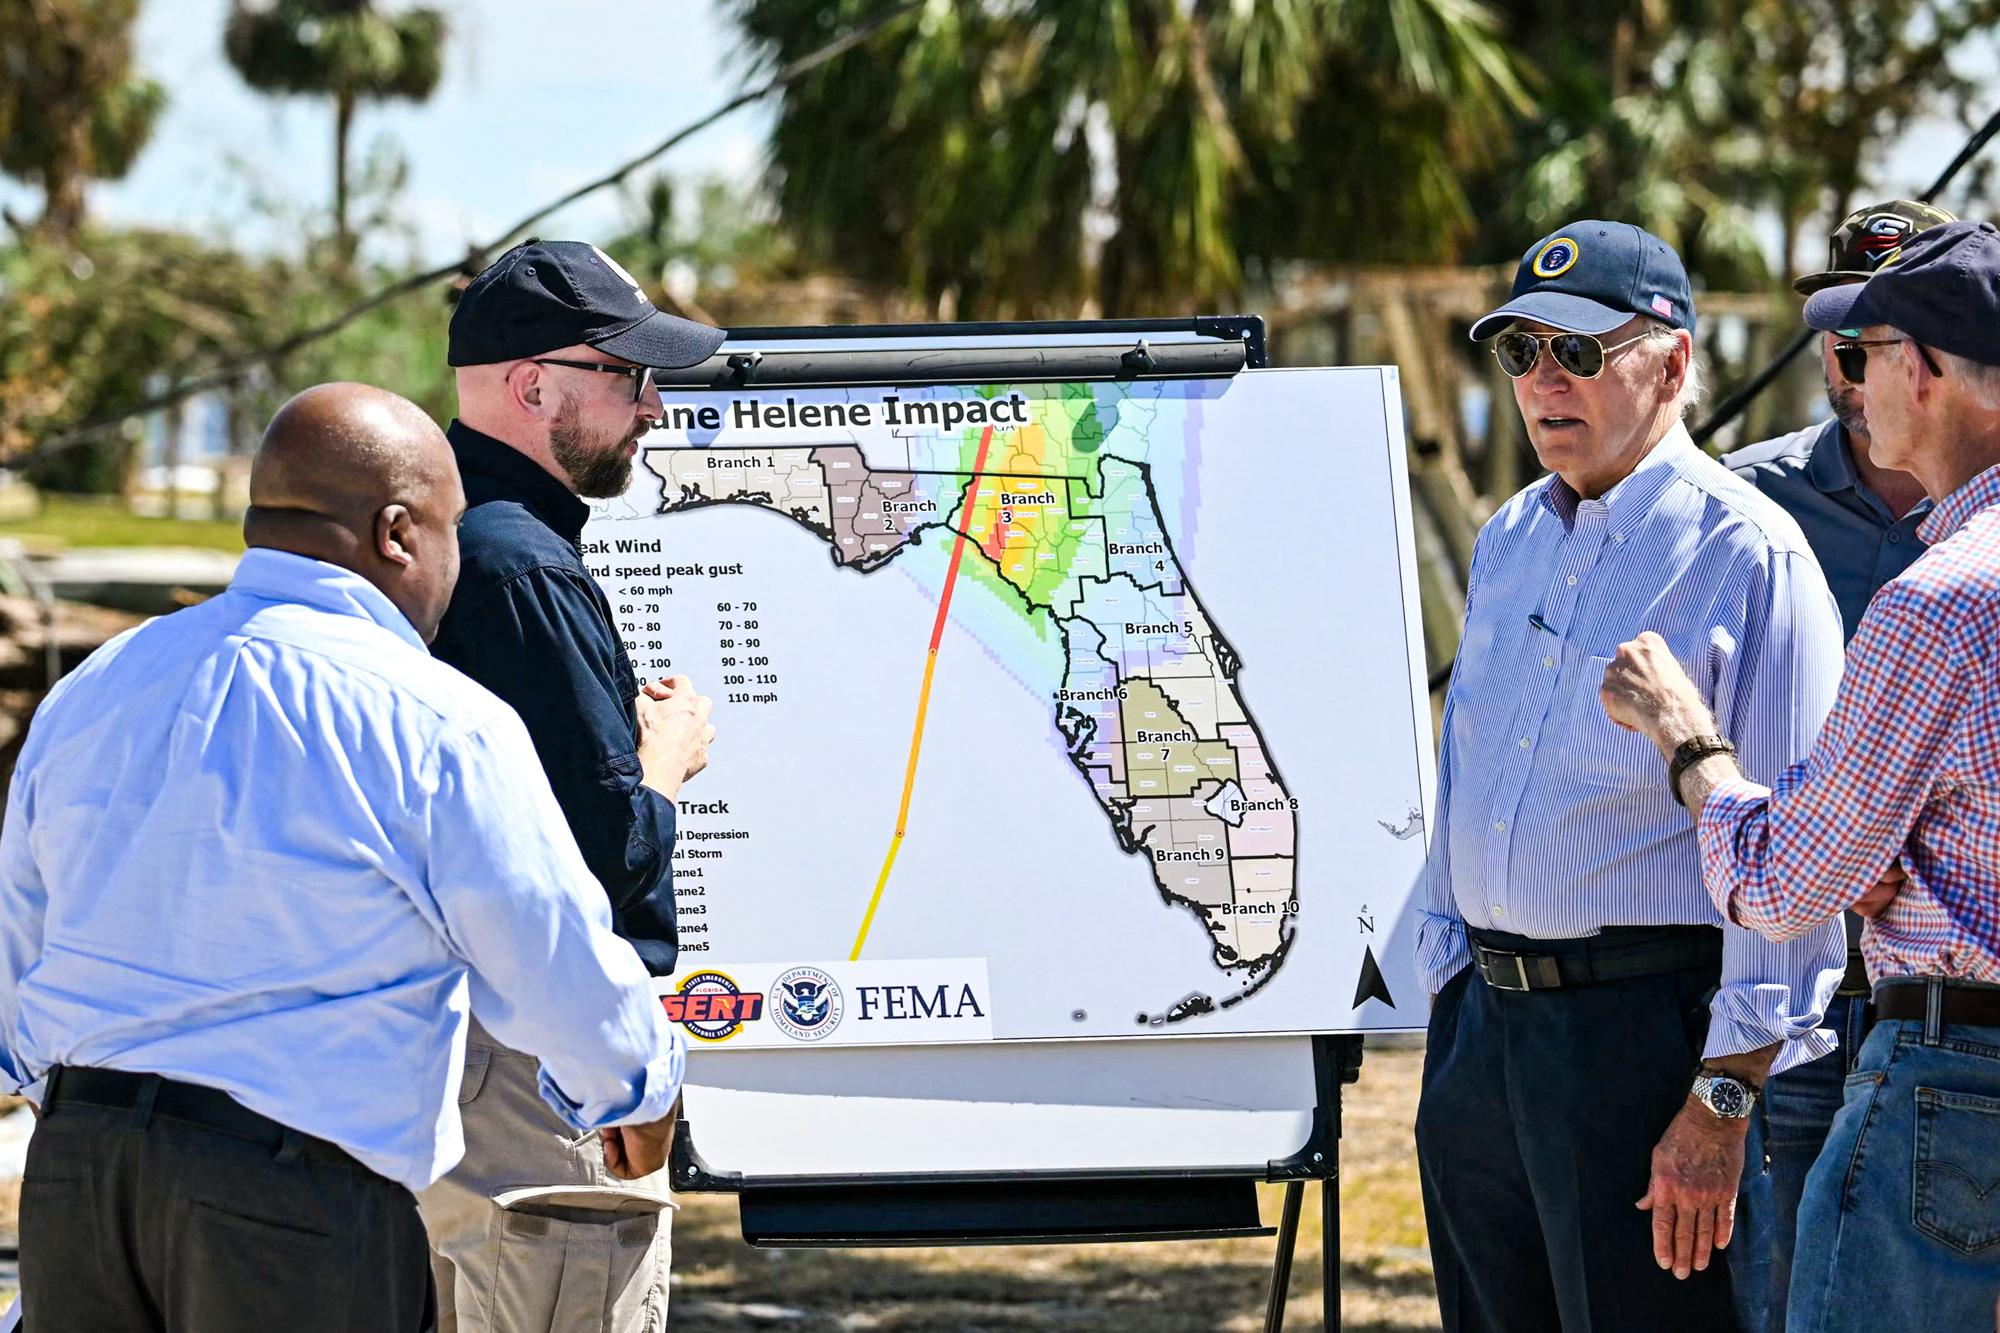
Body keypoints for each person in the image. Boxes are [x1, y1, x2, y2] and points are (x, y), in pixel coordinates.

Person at [0, 384, 686, 1333]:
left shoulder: (101, 685)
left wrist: (91, 1119)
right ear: (399, 533)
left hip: (78, 1181)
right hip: (286, 1201)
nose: (458, 561)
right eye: (454, 530)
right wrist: (638, 1085)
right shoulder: (438, 716)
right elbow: (546, 949)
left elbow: (21, 946)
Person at [1415, 220, 1848, 1331]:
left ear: (1672, 360)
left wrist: (1719, 1098)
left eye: (1576, 352)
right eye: (1519, 355)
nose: (1542, 382)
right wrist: (1447, 999)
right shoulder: (1509, 532)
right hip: (1484, 1039)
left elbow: (1797, 862)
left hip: (1644, 1041)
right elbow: (1470, 775)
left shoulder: (1749, 552)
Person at [1603, 217, 2000, 1333]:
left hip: (1953, 1083)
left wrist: (1689, 741)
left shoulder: (1942, 597)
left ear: (1918, 371)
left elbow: (1781, 886)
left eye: (1862, 349)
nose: (1844, 375)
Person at [418, 239, 724, 1332]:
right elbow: (595, 856)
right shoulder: (521, 566)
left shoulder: (439, 542)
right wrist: (665, 760)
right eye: (629, 377)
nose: (651, 409)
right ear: (532, 384)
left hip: (452, 1058)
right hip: (537, 1078)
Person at [1721, 198, 1953, 1332]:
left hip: (1956, 1009)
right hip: (1794, 993)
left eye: (1890, 343)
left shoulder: (1973, 544)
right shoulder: (1743, 507)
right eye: (1845, 338)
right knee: (1784, 1288)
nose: (1865, 369)